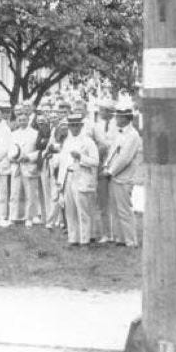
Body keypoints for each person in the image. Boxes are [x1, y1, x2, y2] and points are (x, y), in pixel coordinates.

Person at [57, 112, 99, 247]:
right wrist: (60, 182)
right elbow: (63, 162)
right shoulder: (67, 142)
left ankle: (85, 239)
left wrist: (81, 157)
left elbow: (95, 161)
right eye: (72, 125)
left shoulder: (88, 142)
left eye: (77, 125)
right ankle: (73, 238)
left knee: (83, 210)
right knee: (70, 210)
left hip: (81, 176)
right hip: (68, 176)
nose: (74, 128)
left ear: (81, 126)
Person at [102, 107, 142, 247]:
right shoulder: (120, 134)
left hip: (124, 178)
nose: (116, 119)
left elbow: (125, 158)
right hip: (114, 177)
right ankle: (120, 238)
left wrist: (110, 171)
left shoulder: (133, 135)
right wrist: (106, 166)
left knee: (124, 210)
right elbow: (112, 152)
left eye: (119, 116)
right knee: (115, 209)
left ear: (126, 118)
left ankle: (131, 240)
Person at [8, 109, 41, 227]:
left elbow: (39, 151)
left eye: (24, 120)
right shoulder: (13, 134)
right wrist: (13, 158)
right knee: (14, 192)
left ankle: (29, 217)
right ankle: (13, 217)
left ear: (28, 120)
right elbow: (10, 150)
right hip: (16, 166)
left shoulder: (35, 133)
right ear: (17, 121)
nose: (22, 122)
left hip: (29, 165)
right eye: (20, 120)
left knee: (30, 193)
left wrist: (29, 157)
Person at [93, 100, 118, 243]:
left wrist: (105, 146)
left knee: (114, 202)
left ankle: (116, 232)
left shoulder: (117, 125)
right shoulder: (97, 126)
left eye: (103, 110)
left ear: (109, 111)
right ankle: (106, 233)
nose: (101, 113)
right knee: (103, 202)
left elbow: (116, 145)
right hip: (102, 166)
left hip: (115, 167)